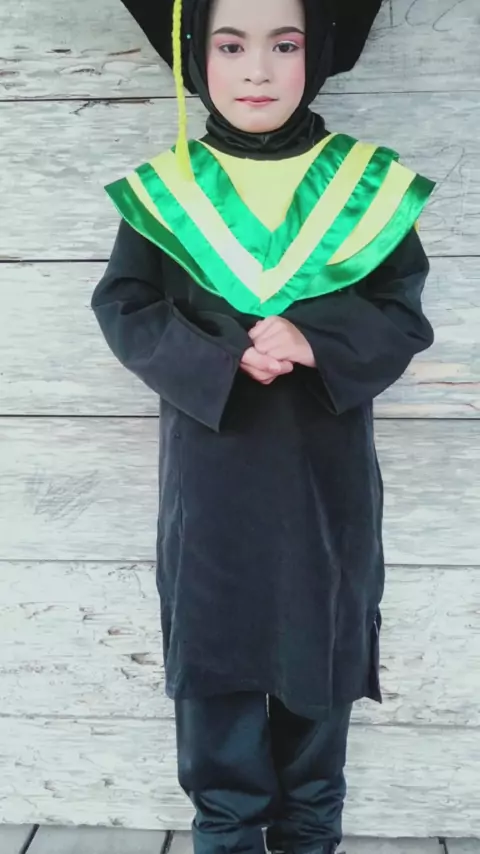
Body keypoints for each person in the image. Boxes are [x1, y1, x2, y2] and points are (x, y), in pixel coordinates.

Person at [90, 1, 436, 852]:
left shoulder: (365, 186)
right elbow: (126, 307)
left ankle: (310, 834)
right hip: (210, 484)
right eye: (230, 44)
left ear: (317, 52)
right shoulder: (169, 193)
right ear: (194, 54)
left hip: (325, 487)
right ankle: (228, 834)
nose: (257, 70)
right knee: (216, 660)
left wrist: (316, 340)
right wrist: (219, 357)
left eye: (284, 44)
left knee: (321, 656)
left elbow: (400, 313)